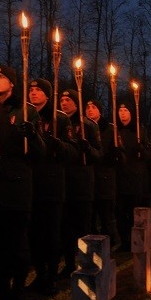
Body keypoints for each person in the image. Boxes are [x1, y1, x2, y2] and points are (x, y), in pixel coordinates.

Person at [0, 64, 44, 300]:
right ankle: (2, 290)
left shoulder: (26, 112)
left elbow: (40, 154)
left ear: (12, 83)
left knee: (16, 242)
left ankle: (17, 291)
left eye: (1, 77)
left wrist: (33, 137)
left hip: (17, 187)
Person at [27, 78, 77, 295]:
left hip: (53, 184)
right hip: (31, 183)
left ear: (48, 95)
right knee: (34, 233)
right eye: (31, 90)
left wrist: (60, 146)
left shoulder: (60, 119)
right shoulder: (26, 116)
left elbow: (73, 151)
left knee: (51, 232)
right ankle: (39, 273)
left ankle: (51, 275)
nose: (34, 93)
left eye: (39, 90)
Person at [60, 88, 103, 273]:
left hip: (82, 183)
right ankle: (68, 263)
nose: (63, 102)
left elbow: (99, 154)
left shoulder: (88, 125)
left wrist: (88, 150)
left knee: (82, 227)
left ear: (76, 103)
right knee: (65, 227)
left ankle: (85, 262)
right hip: (63, 182)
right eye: (61, 99)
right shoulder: (58, 122)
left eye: (68, 100)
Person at [115, 98, 151, 252]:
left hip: (138, 181)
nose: (122, 114)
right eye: (120, 111)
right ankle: (125, 241)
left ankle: (139, 239)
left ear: (132, 114)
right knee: (121, 214)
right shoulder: (115, 132)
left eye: (126, 111)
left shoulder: (141, 131)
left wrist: (143, 151)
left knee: (137, 212)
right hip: (120, 180)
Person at [86, 98, 123, 249]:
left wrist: (115, 155)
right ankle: (93, 246)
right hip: (88, 179)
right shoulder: (83, 128)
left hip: (105, 179)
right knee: (90, 217)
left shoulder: (110, 129)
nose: (90, 110)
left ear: (100, 110)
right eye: (87, 107)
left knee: (106, 215)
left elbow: (121, 156)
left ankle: (109, 243)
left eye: (93, 107)